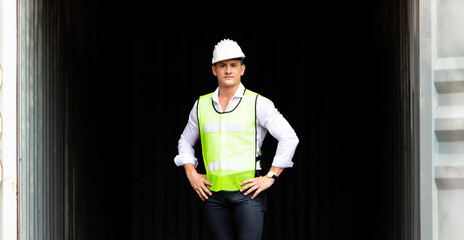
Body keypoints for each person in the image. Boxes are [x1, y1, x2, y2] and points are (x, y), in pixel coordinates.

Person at [174, 39, 299, 240]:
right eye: (223, 65)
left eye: (233, 65)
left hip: (248, 195)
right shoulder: (201, 105)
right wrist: (192, 174)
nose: (228, 70)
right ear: (214, 70)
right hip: (213, 196)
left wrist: (270, 176)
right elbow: (185, 141)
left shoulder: (258, 103)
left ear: (242, 69)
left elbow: (289, 137)